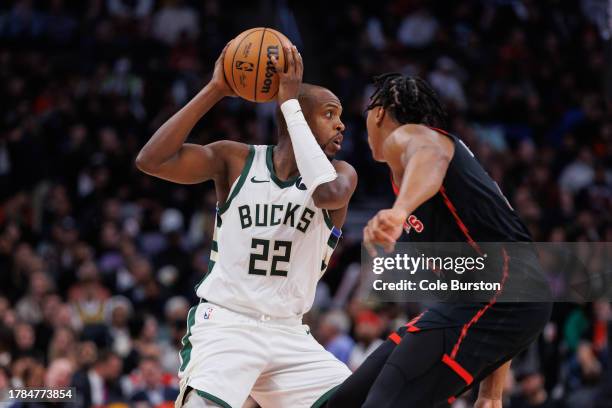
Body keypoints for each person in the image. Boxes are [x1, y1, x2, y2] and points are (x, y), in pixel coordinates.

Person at [136, 43, 357, 408]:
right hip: (227, 325)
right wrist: (215, 89)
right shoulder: (235, 159)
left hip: (289, 333)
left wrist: (288, 104)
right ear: (296, 116)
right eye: (330, 114)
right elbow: (151, 160)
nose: (341, 124)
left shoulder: (342, 175)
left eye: (341, 116)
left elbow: (328, 193)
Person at [327, 73, 552, 407]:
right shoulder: (423, 171)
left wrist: (400, 210)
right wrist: (491, 391)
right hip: (488, 301)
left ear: (378, 113)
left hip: (500, 297)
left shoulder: (413, 138)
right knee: (346, 400)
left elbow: (430, 156)